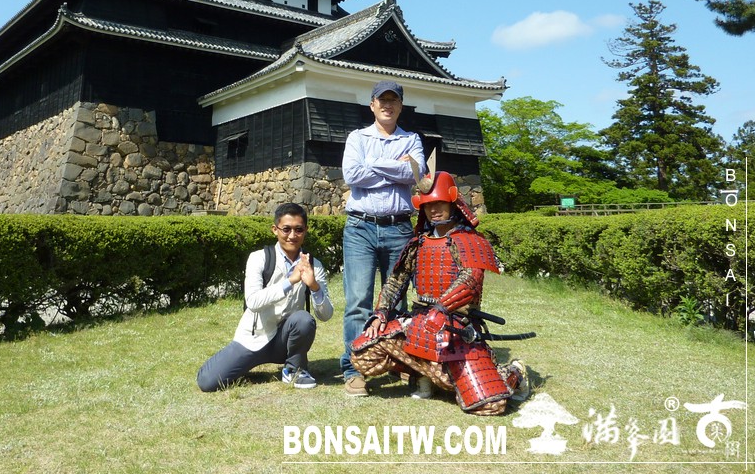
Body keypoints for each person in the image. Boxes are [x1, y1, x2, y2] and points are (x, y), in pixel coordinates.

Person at [350, 171, 528, 415]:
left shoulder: (469, 240)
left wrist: (442, 308)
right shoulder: (419, 243)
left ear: (453, 203)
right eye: (428, 205)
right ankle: (424, 375)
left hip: (456, 329)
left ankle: (514, 372)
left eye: (439, 203)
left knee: (490, 405)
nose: (433, 210)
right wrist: (381, 313)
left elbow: (470, 280)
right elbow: (396, 281)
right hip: (418, 322)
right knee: (363, 353)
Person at [340, 80, 425, 397]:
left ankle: (398, 360)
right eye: (382, 100)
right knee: (358, 302)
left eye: (394, 100)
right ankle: (355, 369)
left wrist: (372, 164)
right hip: (360, 228)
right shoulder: (357, 138)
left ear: (401, 106)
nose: (387, 105)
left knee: (398, 301)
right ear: (372, 104)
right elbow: (352, 175)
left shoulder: (411, 139)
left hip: (399, 227)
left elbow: (416, 175)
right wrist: (393, 167)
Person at [197, 203, 333, 392]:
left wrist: (314, 286)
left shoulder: (313, 265)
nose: (292, 235)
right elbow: (252, 301)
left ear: (305, 231)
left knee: (304, 319)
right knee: (207, 381)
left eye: (298, 229)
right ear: (275, 229)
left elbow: (326, 315)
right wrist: (290, 281)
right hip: (254, 338)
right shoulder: (259, 258)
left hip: (285, 341)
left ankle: (294, 369)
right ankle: (243, 364)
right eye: (286, 229)